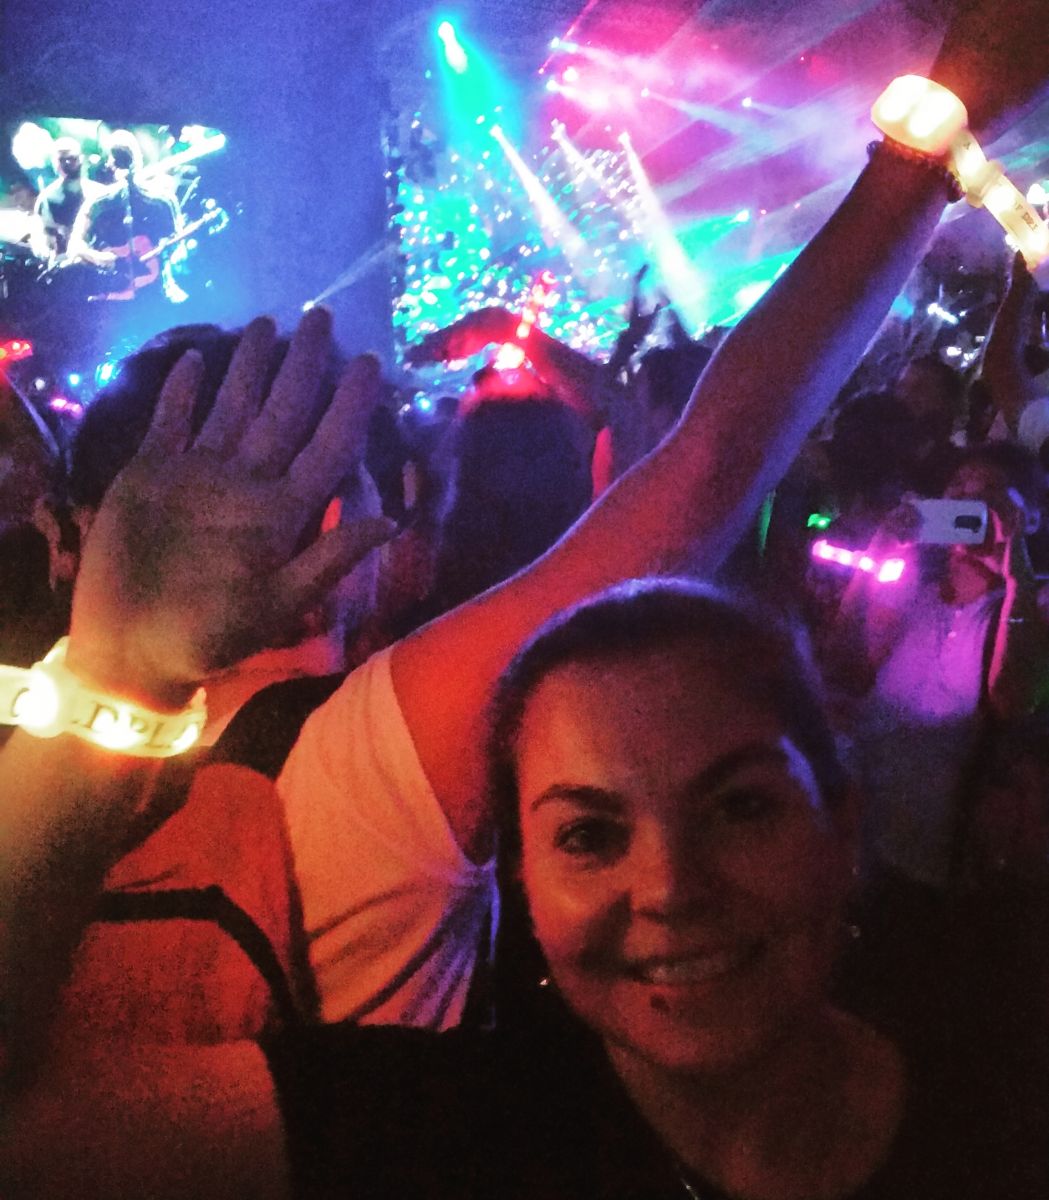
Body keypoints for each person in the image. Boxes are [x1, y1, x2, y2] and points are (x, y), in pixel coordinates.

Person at [3, 0, 1048, 1100]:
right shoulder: (354, 764)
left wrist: (112, 667)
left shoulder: (43, 779)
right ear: (341, 525)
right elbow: (707, 467)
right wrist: (928, 143)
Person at [6, 583, 1043, 1197]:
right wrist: (117, 674)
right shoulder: (447, 1137)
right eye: (589, 834)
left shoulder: (1005, 1072)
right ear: (523, 886)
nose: (670, 888)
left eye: (738, 807)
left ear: (841, 822)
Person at [66, 130, 185, 302]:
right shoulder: (98, 204)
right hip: (115, 295)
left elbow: (178, 246)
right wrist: (102, 259)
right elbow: (75, 246)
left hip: (154, 295)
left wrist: (156, 254)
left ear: (110, 163)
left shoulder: (162, 201)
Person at [29, 137, 102, 262]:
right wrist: (42, 248)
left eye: (72, 158)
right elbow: (40, 234)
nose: (67, 163)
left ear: (81, 159)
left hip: (97, 260)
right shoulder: (47, 198)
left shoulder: (98, 192)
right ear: (55, 163)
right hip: (64, 263)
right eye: (62, 160)